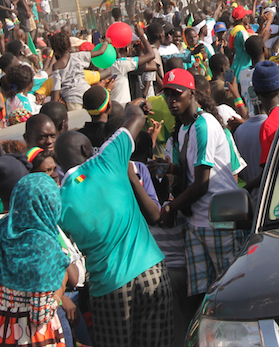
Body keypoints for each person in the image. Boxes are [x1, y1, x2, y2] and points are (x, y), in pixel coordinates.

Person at [55, 102, 173, 347]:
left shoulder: (58, 200)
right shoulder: (109, 157)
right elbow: (136, 115)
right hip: (151, 271)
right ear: (87, 148)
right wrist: (134, 105)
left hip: (109, 288)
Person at [159, 69, 245, 304]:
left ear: (192, 93)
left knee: (229, 292)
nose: (171, 101)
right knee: (202, 297)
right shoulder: (184, 128)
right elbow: (192, 175)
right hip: (197, 222)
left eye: (177, 94)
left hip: (218, 221)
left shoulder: (203, 124)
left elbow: (202, 184)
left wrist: (171, 208)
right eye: (167, 95)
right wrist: (170, 170)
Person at [0, 173, 71, 346]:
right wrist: (60, 288)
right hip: (31, 337)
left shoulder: (0, 231)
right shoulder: (43, 245)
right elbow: (40, 315)